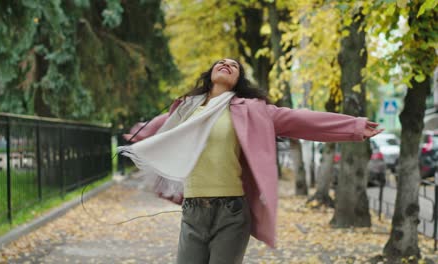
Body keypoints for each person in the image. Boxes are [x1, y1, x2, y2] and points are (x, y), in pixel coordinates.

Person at [120, 58, 382, 264]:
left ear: (238, 80)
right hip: (193, 209)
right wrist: (139, 133)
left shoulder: (251, 110)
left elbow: (301, 120)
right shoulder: (186, 107)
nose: (226, 64)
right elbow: (164, 127)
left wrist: (355, 127)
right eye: (221, 62)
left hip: (231, 211)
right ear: (210, 73)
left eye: (234, 65)